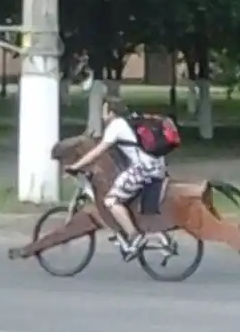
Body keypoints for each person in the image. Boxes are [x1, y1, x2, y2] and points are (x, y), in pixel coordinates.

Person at [65, 97, 166, 250]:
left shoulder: (117, 125)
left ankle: (134, 236)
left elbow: (98, 151)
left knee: (111, 200)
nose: (102, 116)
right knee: (116, 183)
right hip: (155, 164)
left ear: (112, 113)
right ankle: (122, 225)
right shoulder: (130, 121)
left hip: (144, 168)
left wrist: (76, 166)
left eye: (104, 112)